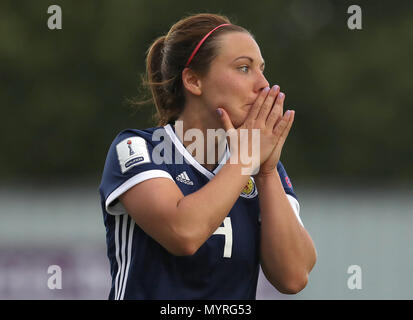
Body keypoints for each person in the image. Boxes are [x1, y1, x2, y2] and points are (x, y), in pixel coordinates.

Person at [99, 13, 317, 300]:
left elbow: (293, 276)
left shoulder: (257, 165)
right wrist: (246, 160)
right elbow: (183, 233)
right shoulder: (138, 147)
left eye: (262, 69)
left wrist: (265, 173)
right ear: (193, 81)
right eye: (243, 68)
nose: (263, 84)